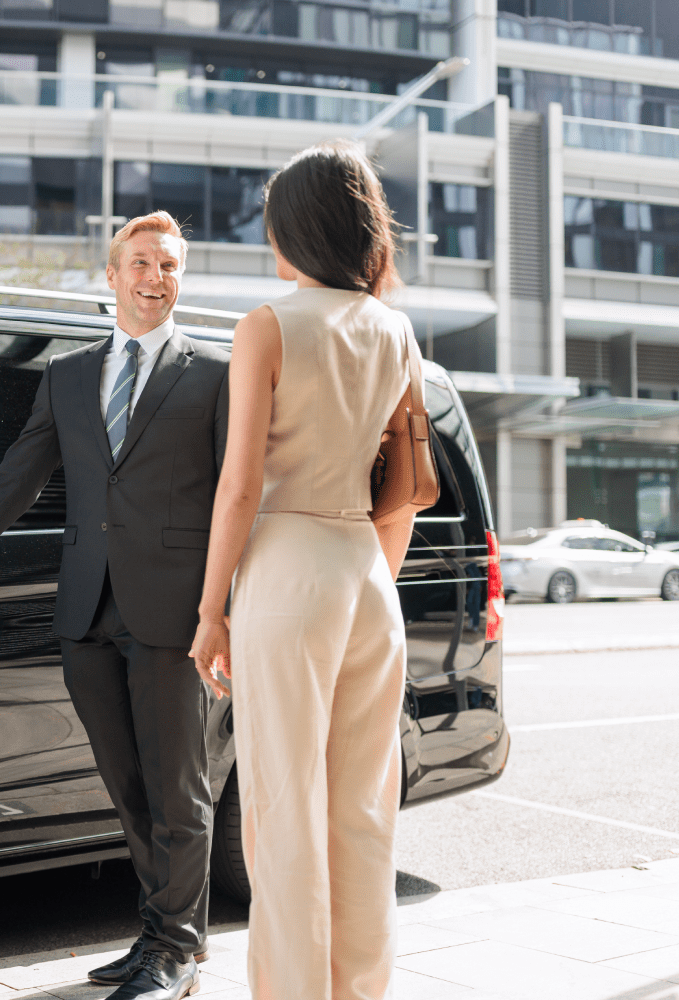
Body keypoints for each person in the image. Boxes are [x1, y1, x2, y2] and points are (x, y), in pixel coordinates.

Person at [189, 140, 414, 1000]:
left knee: (284, 811)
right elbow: (400, 493)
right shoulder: (394, 329)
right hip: (367, 575)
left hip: (288, 571)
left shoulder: (268, 325)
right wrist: (371, 581)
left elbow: (241, 484)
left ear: (295, 229)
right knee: (363, 812)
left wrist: (211, 611)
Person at [0, 211, 229, 1000]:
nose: (155, 278)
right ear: (113, 275)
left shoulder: (215, 372)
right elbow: (19, 476)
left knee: (178, 789)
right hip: (87, 608)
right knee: (126, 787)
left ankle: (178, 951)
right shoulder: (67, 374)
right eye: (141, 263)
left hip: (175, 613)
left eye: (169, 265)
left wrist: (223, 609)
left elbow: (238, 497)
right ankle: (159, 931)